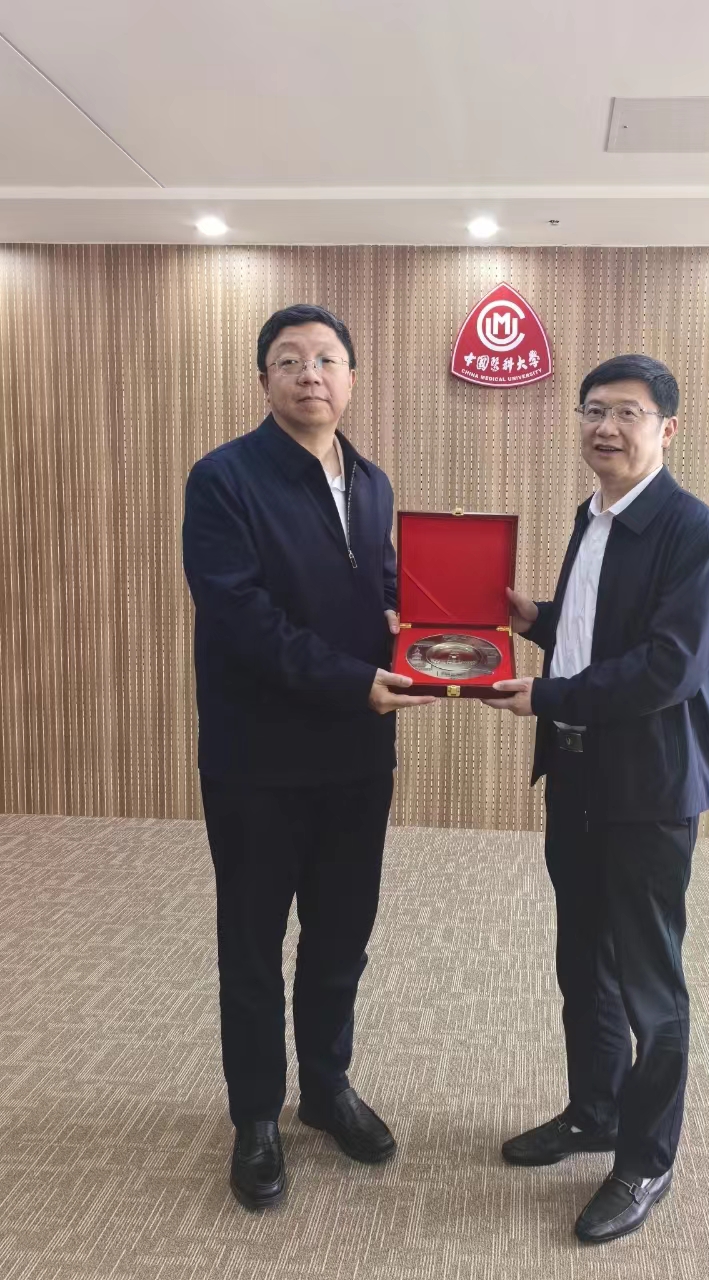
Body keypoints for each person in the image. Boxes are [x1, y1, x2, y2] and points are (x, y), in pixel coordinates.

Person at [182, 304, 435, 1211]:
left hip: (358, 754)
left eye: (327, 359)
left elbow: (386, 584)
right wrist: (354, 677)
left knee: (340, 935)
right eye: (288, 360)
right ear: (265, 381)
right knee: (252, 944)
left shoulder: (371, 481)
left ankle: (326, 1088)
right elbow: (240, 615)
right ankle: (256, 1116)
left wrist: (441, 624)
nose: (309, 374)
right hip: (258, 758)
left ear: (352, 379)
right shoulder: (224, 479)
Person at [483, 353, 709, 1245]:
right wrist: (536, 621)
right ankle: (595, 1109)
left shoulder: (693, 531)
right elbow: (598, 630)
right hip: (579, 773)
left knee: (648, 983)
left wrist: (548, 694)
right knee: (583, 958)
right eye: (594, 410)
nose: (607, 427)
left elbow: (668, 665)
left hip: (650, 786)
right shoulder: (591, 517)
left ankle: (646, 1158)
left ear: (668, 429)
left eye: (628, 412)